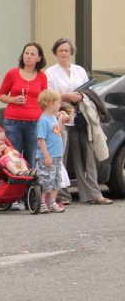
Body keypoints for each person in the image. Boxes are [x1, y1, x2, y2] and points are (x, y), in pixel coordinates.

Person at [45, 38, 112, 205]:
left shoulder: (79, 70)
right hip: (59, 118)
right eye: (60, 50)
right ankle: (62, 196)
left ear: (71, 52)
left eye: (66, 51)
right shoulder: (50, 73)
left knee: (86, 156)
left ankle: (93, 194)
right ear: (55, 53)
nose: (63, 54)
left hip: (80, 118)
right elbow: (48, 97)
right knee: (60, 157)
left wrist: (81, 95)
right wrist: (66, 96)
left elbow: (89, 91)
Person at [0, 42, 48, 168]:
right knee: (13, 156)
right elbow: (0, 95)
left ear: (39, 58)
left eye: (32, 54)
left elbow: (44, 100)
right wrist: (13, 100)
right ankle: (14, 185)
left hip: (35, 123)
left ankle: (30, 186)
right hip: (13, 122)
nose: (29, 56)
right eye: (26, 53)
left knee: (32, 156)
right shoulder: (12, 73)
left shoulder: (42, 76)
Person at [35, 89, 66, 213]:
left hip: (57, 155)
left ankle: (52, 202)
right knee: (46, 179)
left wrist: (60, 120)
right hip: (47, 156)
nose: (60, 105)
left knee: (56, 180)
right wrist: (46, 156)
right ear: (50, 104)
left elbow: (56, 131)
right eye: (58, 102)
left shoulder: (53, 117)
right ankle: (42, 202)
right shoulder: (43, 120)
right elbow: (41, 140)